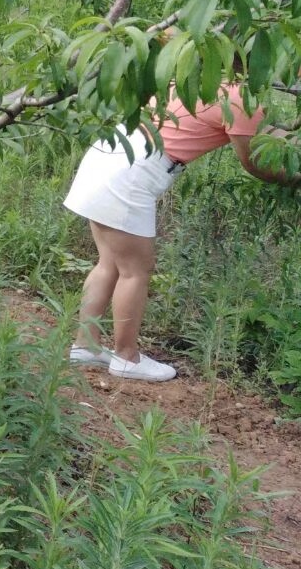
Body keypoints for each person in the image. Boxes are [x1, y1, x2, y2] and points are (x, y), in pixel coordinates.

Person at [65, 81, 298, 382]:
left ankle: (86, 345)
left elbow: (272, 134)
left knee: (109, 263)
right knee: (135, 271)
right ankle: (126, 357)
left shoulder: (202, 74)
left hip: (110, 151)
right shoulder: (242, 98)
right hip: (131, 172)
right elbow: (255, 163)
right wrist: (295, 179)